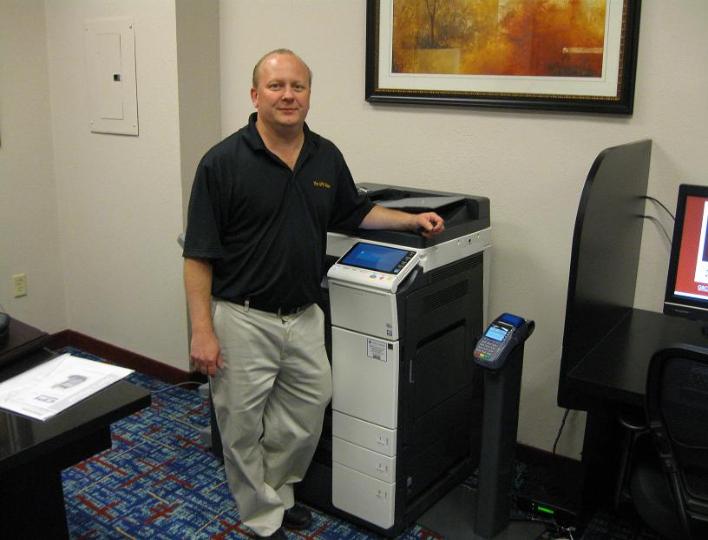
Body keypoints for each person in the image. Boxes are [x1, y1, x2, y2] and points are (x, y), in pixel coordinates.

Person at [182, 48, 445, 539]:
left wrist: (411, 220)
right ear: (255, 95)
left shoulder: (325, 155)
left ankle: (278, 494)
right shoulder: (221, 162)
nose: (288, 96)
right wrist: (202, 331)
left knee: (305, 413)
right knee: (241, 427)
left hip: (303, 316)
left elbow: (356, 211)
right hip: (242, 317)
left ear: (308, 95)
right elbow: (198, 255)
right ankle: (262, 518)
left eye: (297, 86)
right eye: (276, 86)